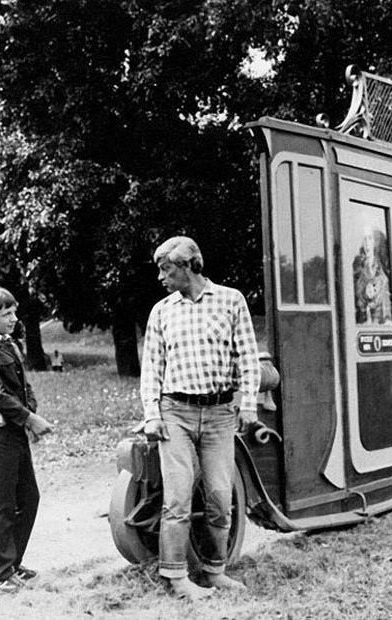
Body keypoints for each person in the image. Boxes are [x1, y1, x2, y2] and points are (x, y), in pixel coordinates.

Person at [140, 236, 261, 602]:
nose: (161, 277)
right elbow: (152, 368)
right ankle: (176, 578)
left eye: (167, 269)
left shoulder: (231, 300)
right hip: (175, 411)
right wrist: (151, 415)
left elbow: (248, 357)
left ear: (191, 265)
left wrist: (249, 403)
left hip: (220, 414)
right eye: (160, 269)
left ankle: (214, 570)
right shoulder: (161, 310)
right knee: (177, 496)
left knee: (220, 495)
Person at [0, 286, 53, 593]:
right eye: (6, 314)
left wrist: (30, 417)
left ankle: (12, 563)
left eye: (14, 312)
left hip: (16, 430)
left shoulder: (8, 345)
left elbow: (23, 386)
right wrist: (29, 418)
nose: (14, 318)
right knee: (2, 502)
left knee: (29, 497)